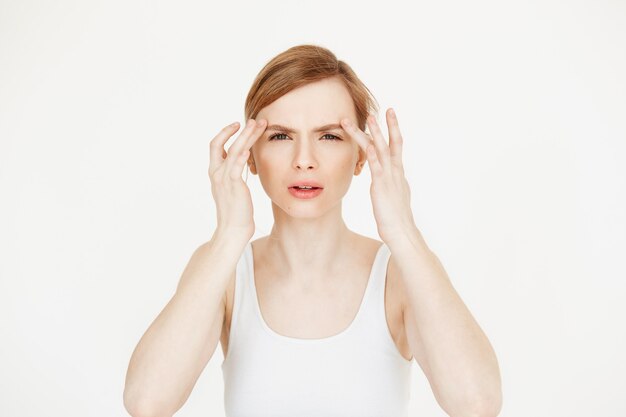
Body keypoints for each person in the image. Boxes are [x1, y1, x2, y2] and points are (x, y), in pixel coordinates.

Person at [123, 44, 502, 417]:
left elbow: (477, 405)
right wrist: (228, 236)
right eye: (281, 136)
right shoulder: (224, 271)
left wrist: (402, 231)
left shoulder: (399, 273)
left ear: (360, 156)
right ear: (250, 156)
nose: (304, 160)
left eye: (330, 136)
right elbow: (147, 403)